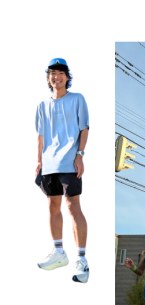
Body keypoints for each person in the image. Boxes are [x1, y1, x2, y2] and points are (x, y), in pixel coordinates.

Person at [35, 58, 90, 283]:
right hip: (49, 164)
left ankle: (82, 260)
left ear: (67, 77)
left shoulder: (77, 99)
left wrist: (80, 155)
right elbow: (40, 136)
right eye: (52, 73)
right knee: (52, 206)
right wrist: (39, 161)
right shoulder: (42, 105)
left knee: (73, 206)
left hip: (69, 161)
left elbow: (84, 129)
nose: (56, 77)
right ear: (48, 78)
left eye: (60, 73)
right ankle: (59, 252)